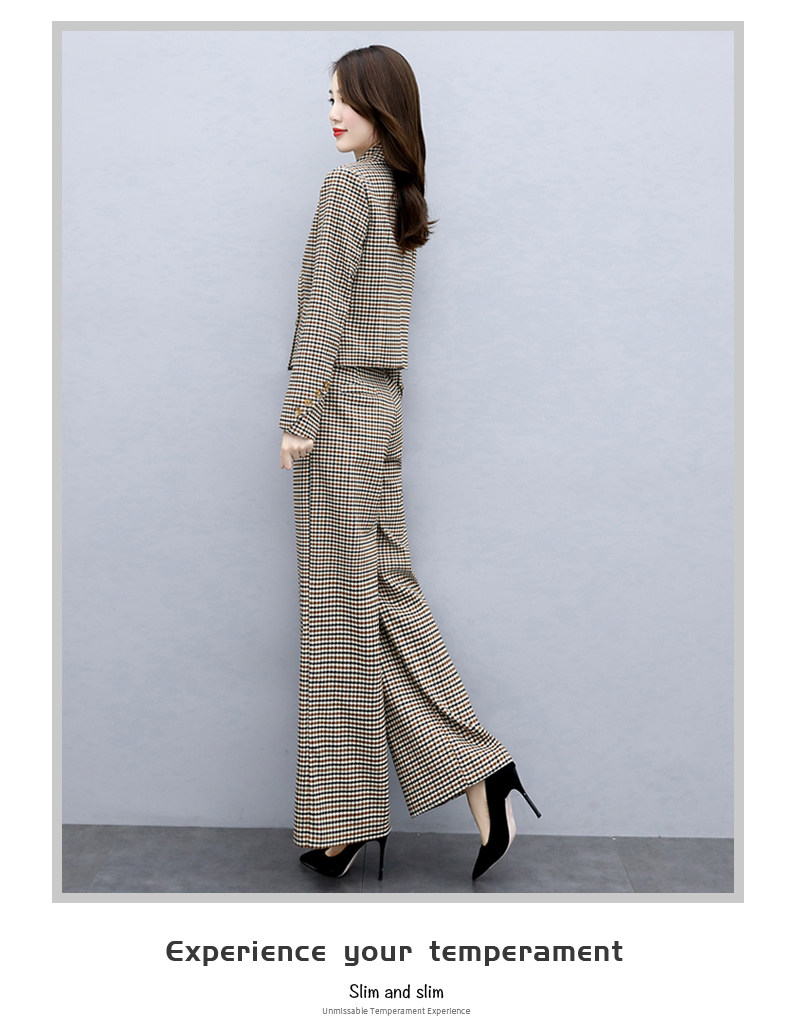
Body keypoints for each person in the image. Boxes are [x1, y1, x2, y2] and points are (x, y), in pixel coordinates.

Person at [278, 45, 540, 883]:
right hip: (383, 409)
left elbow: (326, 304)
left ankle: (344, 822)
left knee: (338, 615)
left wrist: (297, 416)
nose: (332, 113)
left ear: (381, 107)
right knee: (384, 595)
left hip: (339, 413)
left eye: (346, 99)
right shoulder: (400, 193)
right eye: (328, 98)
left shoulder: (348, 188)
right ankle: (479, 770)